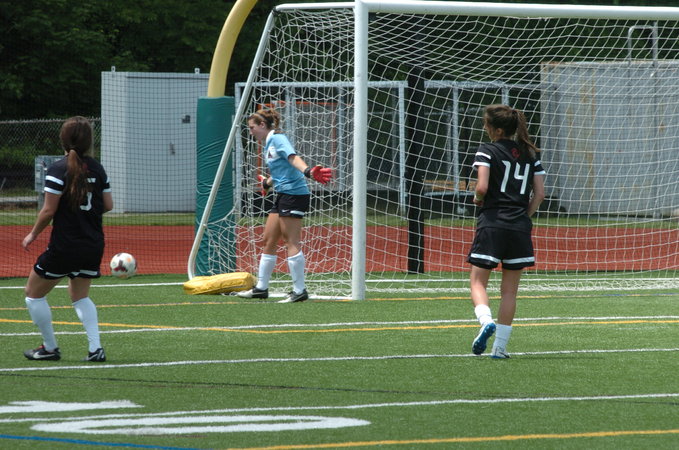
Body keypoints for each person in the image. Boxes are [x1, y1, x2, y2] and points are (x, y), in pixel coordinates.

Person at [22, 116, 113, 362]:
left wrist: (32, 234)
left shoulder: (58, 169)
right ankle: (95, 349)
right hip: (93, 244)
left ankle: (50, 348)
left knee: (33, 293)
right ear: (89, 142)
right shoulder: (98, 168)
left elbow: (48, 211)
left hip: (65, 246)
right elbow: (108, 205)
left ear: (63, 140)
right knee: (80, 296)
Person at [467, 104, 545, 359]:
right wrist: (524, 216)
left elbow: (482, 187)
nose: (485, 128)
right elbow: (540, 194)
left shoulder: (487, 150)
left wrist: (477, 200)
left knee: (478, 282)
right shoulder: (530, 155)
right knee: (509, 291)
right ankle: (500, 348)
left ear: (497, 129)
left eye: (486, 124)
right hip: (519, 227)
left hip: (493, 221)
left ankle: (485, 321)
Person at [237, 108, 332, 303]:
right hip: (282, 194)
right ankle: (261, 288)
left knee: (291, 242)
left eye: (252, 128)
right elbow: (281, 170)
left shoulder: (278, 138)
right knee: (268, 240)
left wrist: (308, 171)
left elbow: (292, 158)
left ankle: (299, 291)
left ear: (262, 125)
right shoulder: (269, 143)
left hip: (294, 195)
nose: (251, 132)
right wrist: (267, 183)